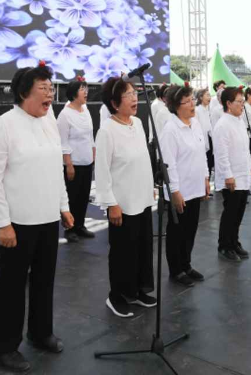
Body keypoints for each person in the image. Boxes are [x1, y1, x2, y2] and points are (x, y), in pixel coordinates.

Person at [0, 63, 74, 372]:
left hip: (47, 218)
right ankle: (6, 346)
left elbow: (56, 170)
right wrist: (3, 222)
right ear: (24, 92)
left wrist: (63, 206)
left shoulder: (49, 121)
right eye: (43, 89)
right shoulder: (4, 125)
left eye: (51, 88)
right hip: (18, 223)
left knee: (44, 280)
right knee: (11, 285)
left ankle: (40, 332)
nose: (50, 94)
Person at [96, 75, 157, 318]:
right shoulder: (107, 131)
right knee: (122, 251)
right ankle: (118, 295)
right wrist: (111, 203)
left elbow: (142, 159)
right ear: (114, 103)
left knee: (142, 247)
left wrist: (149, 184)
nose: (134, 99)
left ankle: (137, 290)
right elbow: (101, 171)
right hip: (122, 202)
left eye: (135, 93)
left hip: (141, 198)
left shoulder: (138, 124)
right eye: (128, 95)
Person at [159, 85, 210, 287]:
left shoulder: (195, 123)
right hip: (180, 190)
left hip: (195, 186)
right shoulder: (170, 130)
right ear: (175, 106)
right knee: (176, 232)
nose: (192, 104)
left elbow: (201, 154)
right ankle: (176, 270)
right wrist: (174, 191)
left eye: (192, 100)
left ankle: (186, 264)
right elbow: (169, 164)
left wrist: (206, 178)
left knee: (191, 229)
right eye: (187, 101)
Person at [213, 86, 251, 262]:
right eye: (239, 102)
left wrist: (249, 167)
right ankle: (224, 245)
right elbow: (221, 154)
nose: (242, 105)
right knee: (230, 212)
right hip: (232, 176)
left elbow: (245, 149)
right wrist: (228, 175)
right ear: (228, 103)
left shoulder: (239, 121)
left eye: (243, 101)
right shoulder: (222, 124)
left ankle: (234, 241)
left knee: (239, 211)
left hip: (242, 173)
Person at [57, 76, 96, 243]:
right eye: (82, 90)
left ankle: (80, 225)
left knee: (83, 196)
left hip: (87, 161)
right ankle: (70, 228)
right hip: (74, 164)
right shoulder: (65, 115)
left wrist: (93, 155)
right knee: (72, 197)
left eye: (86, 89)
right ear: (73, 93)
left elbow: (90, 135)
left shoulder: (85, 110)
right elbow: (63, 143)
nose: (86, 93)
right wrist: (69, 164)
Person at [194, 88, 215, 182]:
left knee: (209, 163)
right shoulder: (197, 110)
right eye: (207, 95)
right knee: (204, 163)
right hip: (202, 140)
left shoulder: (207, 110)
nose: (209, 97)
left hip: (209, 138)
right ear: (200, 97)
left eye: (209, 95)